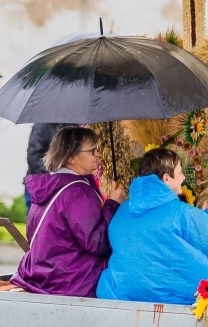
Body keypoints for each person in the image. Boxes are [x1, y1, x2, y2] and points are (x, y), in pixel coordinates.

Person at [97, 148, 208, 305]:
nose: (183, 177)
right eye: (180, 172)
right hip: (175, 303)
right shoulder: (184, 214)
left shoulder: (121, 212)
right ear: (166, 178)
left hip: (120, 298)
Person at [11, 126, 125, 297]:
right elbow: (98, 243)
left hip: (43, 277)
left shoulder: (48, 187)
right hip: (73, 282)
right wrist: (113, 204)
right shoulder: (77, 193)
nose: (98, 155)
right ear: (72, 158)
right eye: (92, 151)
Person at [24, 123, 75, 209]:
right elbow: (33, 156)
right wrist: (53, 176)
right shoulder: (42, 125)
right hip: (39, 184)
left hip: (65, 184)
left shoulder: (74, 125)